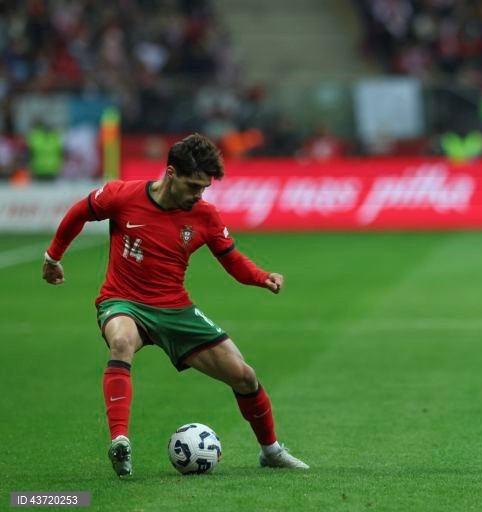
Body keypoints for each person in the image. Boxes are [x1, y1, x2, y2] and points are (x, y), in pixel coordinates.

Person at [42, 133, 309, 477]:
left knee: (244, 376)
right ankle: (120, 441)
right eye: (193, 186)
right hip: (123, 301)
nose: (198, 195)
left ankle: (271, 451)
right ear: (170, 173)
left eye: (204, 189)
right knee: (121, 342)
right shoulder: (122, 196)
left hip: (175, 310)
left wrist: (261, 276)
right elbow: (79, 212)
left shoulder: (204, 216)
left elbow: (231, 260)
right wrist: (53, 257)